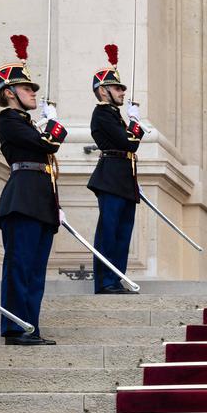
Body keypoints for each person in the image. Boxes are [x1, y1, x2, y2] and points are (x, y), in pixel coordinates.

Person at [0, 35, 67, 345]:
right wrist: (53, 125)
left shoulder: (26, 122)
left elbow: (48, 166)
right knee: (20, 267)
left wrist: (55, 204)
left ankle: (30, 328)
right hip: (21, 201)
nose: (32, 93)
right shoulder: (9, 120)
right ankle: (14, 328)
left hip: (39, 203)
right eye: (26, 88)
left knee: (35, 273)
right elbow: (47, 144)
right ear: (9, 93)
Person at [87, 44, 144, 294]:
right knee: (109, 232)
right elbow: (128, 143)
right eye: (117, 88)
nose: (122, 92)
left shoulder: (114, 115)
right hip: (110, 177)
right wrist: (135, 123)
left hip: (123, 177)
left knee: (123, 233)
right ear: (103, 91)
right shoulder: (102, 115)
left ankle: (116, 276)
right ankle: (104, 281)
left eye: (122, 88)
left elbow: (129, 147)